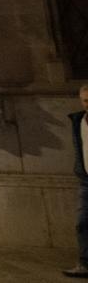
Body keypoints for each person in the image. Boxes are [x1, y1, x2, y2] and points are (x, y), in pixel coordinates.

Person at [66, 84, 88, 278]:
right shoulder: (77, 120)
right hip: (85, 181)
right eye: (86, 100)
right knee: (82, 223)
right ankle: (84, 263)